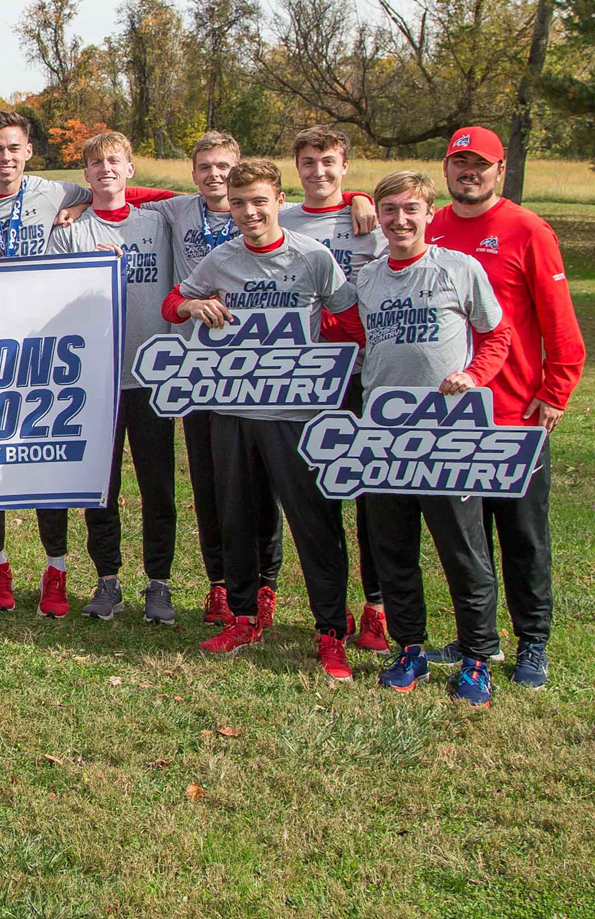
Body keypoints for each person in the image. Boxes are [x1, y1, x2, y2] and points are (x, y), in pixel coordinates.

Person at [162, 158, 364, 681]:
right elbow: (172, 302)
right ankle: (245, 615)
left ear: (279, 201)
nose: (249, 212)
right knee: (237, 516)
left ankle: (329, 632)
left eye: (258, 201)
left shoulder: (313, 256)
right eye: (238, 202)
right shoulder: (220, 258)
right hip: (232, 408)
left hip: (296, 412)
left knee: (313, 520)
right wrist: (193, 308)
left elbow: (348, 318)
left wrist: (319, 352)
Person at [422, 125, 585, 688]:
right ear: (445, 170)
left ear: (499, 171)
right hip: (451, 416)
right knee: (465, 538)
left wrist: (554, 392)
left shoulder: (527, 229)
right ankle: (478, 640)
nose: (469, 172)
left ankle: (533, 642)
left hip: (515, 412)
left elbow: (562, 326)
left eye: (480, 164)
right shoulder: (432, 225)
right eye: (459, 163)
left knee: (522, 536)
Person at [356, 170, 514, 707]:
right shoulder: (368, 278)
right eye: (390, 210)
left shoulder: (459, 268)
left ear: (429, 214)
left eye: (410, 210)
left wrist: (474, 376)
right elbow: (343, 331)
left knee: (463, 551)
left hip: (448, 434)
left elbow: (496, 334)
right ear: (378, 216)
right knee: (393, 550)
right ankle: (410, 648)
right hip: (385, 436)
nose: (400, 220)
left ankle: (476, 656)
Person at [0, 110, 97, 617]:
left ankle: (56, 571)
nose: (5, 157)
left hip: (47, 350)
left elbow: (115, 193)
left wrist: (81, 208)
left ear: (28, 152)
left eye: (14, 148)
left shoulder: (58, 193)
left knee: (45, 460)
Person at [47, 131, 178, 624]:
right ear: (85, 174)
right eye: (96, 162)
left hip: (150, 376)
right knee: (100, 487)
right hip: (96, 379)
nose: (105, 168)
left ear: (130, 169)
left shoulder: (158, 221)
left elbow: (199, 197)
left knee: (157, 485)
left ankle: (158, 583)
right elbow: (54, 300)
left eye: (115, 160)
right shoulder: (70, 232)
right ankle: (108, 580)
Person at [280, 126, 389, 652]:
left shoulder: (373, 220)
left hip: (367, 373)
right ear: (295, 168)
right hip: (305, 379)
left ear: (345, 165)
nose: (318, 172)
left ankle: (377, 605)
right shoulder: (280, 220)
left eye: (328, 162)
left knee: (372, 496)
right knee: (315, 495)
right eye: (308, 162)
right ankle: (331, 607)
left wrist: (362, 200)